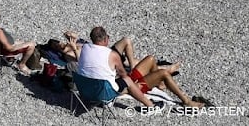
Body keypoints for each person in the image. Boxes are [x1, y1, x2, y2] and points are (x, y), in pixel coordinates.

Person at [74, 26, 202, 108]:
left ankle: (161, 84)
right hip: (106, 90)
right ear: (106, 39)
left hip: (88, 88)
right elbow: (124, 76)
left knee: (150, 59)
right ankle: (184, 101)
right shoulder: (111, 55)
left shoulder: (85, 49)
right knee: (163, 73)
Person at [0, 6, 37, 74]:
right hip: (3, 52)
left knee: (22, 42)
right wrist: (21, 45)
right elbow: (9, 48)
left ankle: (10, 59)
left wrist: (20, 44)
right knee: (31, 45)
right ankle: (22, 65)